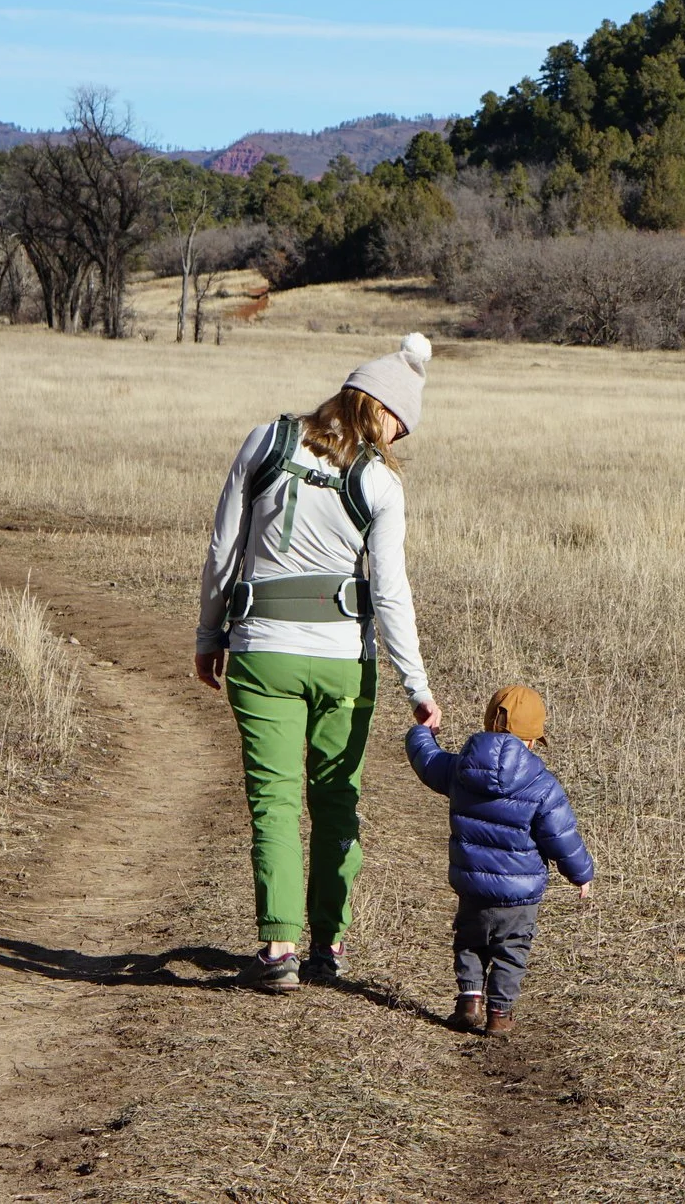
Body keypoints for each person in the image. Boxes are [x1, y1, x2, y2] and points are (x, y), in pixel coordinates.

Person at [195, 332, 442, 991]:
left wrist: (208, 633)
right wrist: (415, 684)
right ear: (379, 408)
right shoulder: (379, 484)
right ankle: (327, 947)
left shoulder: (265, 441)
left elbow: (224, 546)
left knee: (273, 803)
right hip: (343, 666)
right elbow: (390, 593)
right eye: (399, 423)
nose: (398, 437)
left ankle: (278, 948)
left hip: (261, 653)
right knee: (337, 802)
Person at [405, 684, 595, 1035]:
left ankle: (469, 1000)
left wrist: (423, 732)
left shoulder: (463, 767)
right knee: (512, 950)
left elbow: (427, 761)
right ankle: (499, 1014)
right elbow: (561, 837)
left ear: (489, 723)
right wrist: (581, 874)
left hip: (472, 886)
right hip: (519, 894)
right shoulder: (541, 784)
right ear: (534, 740)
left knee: (469, 941)